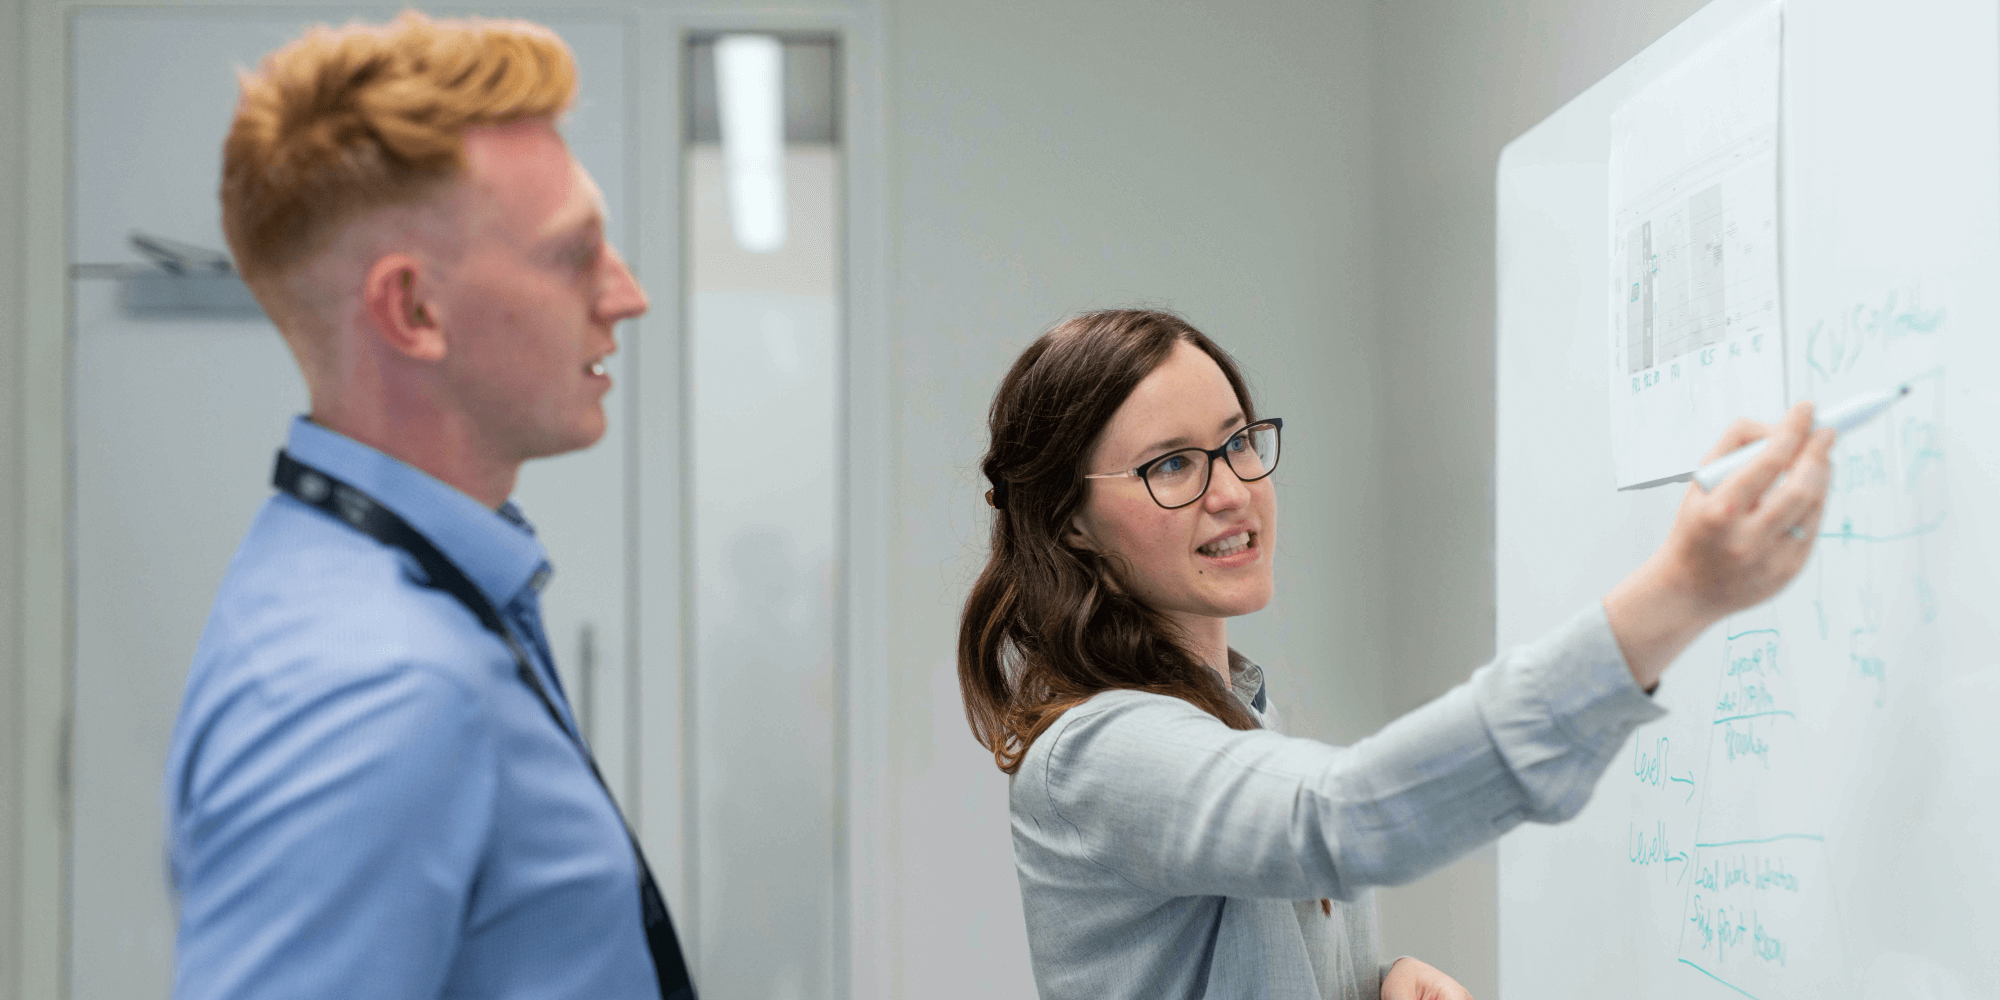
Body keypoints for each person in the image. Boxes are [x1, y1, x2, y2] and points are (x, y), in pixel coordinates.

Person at [957, 309, 1834, 1000]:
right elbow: (1339, 820)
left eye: (1235, 443)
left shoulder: (1232, 709)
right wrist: (1680, 591)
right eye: (1173, 466)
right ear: (1070, 518)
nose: (1232, 491)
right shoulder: (1095, 755)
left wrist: (1362, 987)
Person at [164, 14, 692, 999]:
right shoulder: (370, 687)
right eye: (575, 252)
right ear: (413, 311)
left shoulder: (395, 593)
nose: (625, 294)